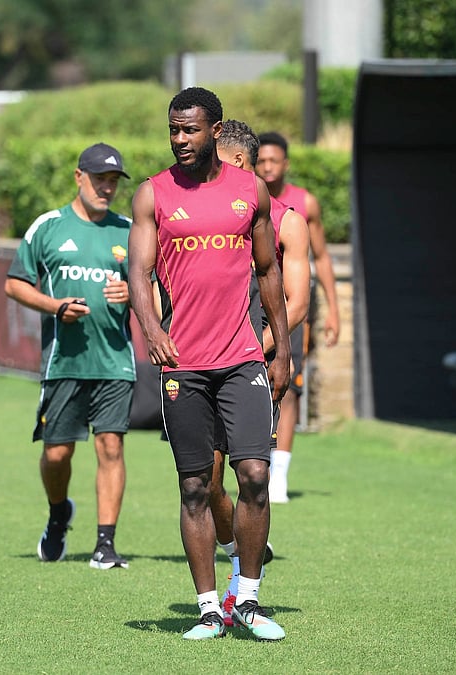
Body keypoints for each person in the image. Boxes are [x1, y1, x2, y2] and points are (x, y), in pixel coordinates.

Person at [128, 87, 290, 641]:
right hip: (184, 363)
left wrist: (283, 347)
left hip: (242, 356)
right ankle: (207, 609)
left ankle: (246, 600)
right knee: (196, 486)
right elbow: (139, 273)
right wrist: (153, 330)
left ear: (215, 131)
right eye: (173, 130)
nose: (180, 140)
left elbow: (269, 271)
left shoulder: (252, 190)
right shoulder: (152, 194)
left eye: (190, 130)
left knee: (255, 474)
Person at [5, 143, 134, 570]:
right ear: (79, 177)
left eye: (113, 181)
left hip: (116, 361)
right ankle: (59, 512)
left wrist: (134, 293)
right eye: (100, 179)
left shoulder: (130, 231)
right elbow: (15, 284)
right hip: (64, 362)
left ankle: (106, 544)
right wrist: (55, 306)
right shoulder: (49, 226)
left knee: (111, 447)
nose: (107, 188)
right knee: (58, 453)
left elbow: (161, 288)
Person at [207, 120, 312, 624]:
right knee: (204, 483)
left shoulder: (287, 219)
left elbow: (297, 300)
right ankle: (237, 550)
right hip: (202, 362)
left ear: (242, 165)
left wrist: (257, 346)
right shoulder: (202, 212)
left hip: (252, 361)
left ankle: (241, 589)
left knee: (250, 473)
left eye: (220, 165)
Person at [255, 131, 342, 502]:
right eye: (262, 161)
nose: (268, 166)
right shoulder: (243, 202)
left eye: (274, 160)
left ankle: (279, 477)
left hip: (289, 308)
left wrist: (334, 309)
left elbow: (320, 257)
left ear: (286, 163)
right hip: (248, 306)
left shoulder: (303, 203)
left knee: (285, 387)